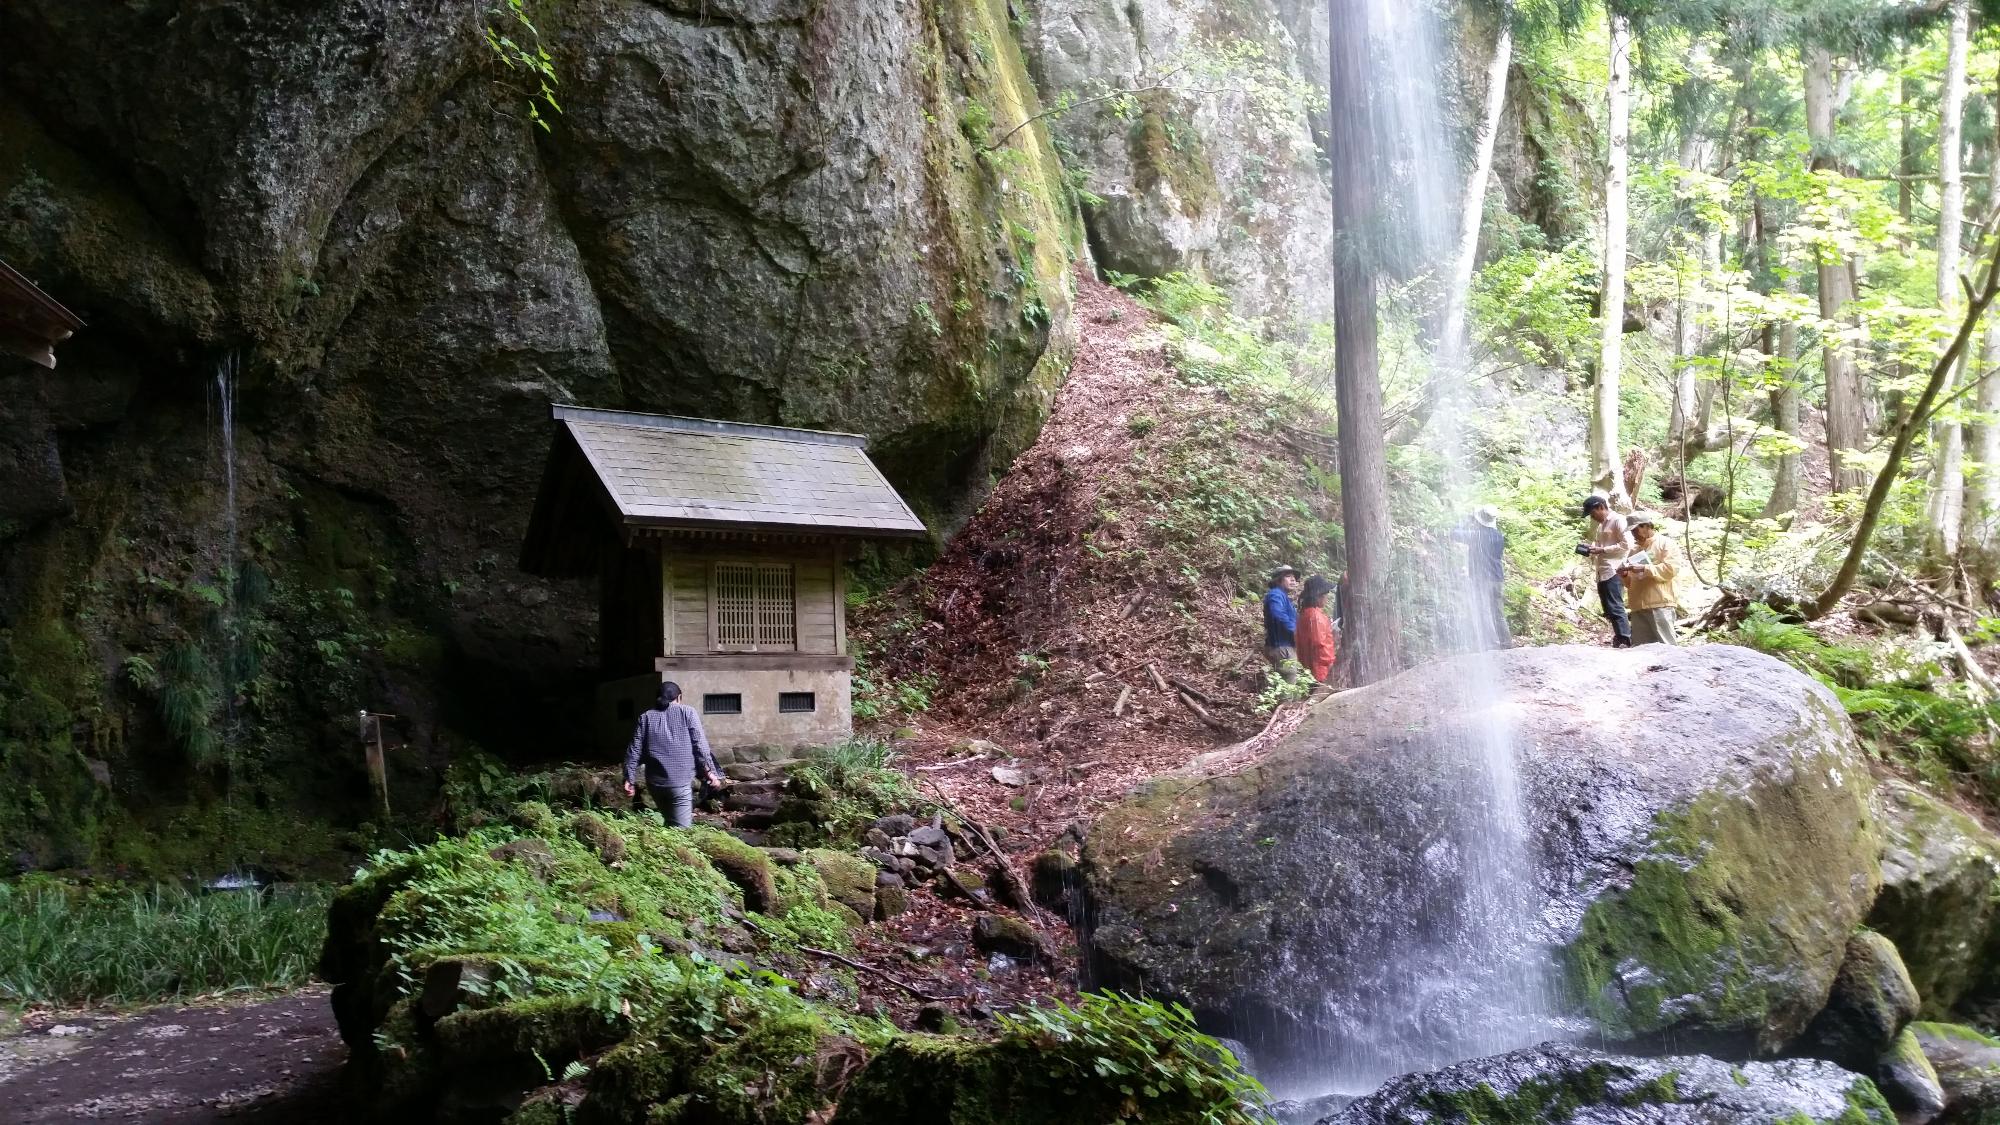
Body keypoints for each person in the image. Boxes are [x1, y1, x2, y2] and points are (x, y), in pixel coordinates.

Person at [622, 681, 726, 828]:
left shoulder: (645, 717)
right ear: (679, 697)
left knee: (670, 823)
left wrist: (629, 778)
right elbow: (700, 746)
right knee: (681, 831)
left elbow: (634, 750)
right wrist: (711, 774)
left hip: (654, 784)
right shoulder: (688, 712)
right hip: (679, 782)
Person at [1450, 505, 1511, 650]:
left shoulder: (1475, 535)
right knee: (1498, 612)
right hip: (1497, 578)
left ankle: (1492, 644)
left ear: (1479, 520)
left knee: (1484, 610)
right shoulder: (1499, 536)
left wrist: (1466, 519)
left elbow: (1454, 533)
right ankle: (1506, 642)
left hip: (1482, 578)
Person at [1619, 511, 1680, 646]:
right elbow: (1630, 583)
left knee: (1667, 647)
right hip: (1638, 607)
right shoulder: (1634, 550)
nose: (1633, 534)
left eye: (1635, 530)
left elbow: (1671, 569)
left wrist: (1645, 568)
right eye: (1631, 531)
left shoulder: (1665, 544)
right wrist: (1624, 575)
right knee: (1640, 650)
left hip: (1660, 603)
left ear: (1647, 526)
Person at [1580, 495, 1633, 648]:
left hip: (1614, 569)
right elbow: (1600, 545)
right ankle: (1619, 636)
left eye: (1593, 513)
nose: (1592, 517)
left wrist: (1603, 550)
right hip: (1602, 570)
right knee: (1608, 608)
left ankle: (1625, 638)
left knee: (1615, 605)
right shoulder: (1601, 526)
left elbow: (1627, 544)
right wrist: (1591, 549)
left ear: (1601, 507)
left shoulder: (1618, 520)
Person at [1295, 575, 1338, 683]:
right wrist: (1330, 663)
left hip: (1308, 668)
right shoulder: (1315, 617)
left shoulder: (1305, 614)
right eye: (1325, 594)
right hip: (1321, 670)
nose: (1327, 598)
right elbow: (1319, 644)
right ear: (1318, 596)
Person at [1262, 565, 1301, 674]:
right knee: (1289, 683)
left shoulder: (1282, 596)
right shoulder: (1276, 594)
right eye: (1288, 576)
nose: (1293, 579)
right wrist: (1295, 630)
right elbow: (1277, 614)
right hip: (1282, 648)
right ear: (1278, 580)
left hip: (1284, 646)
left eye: (1294, 577)